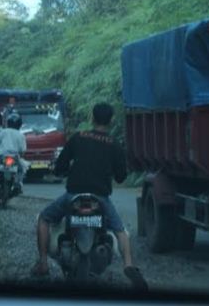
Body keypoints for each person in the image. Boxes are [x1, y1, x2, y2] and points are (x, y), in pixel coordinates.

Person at [30, 102, 147, 290]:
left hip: (73, 196)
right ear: (111, 120)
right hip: (100, 198)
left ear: (92, 118)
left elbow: (60, 167)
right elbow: (121, 176)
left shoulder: (78, 137)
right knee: (121, 231)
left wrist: (64, 171)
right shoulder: (114, 145)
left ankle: (43, 263)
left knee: (44, 218)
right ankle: (129, 265)